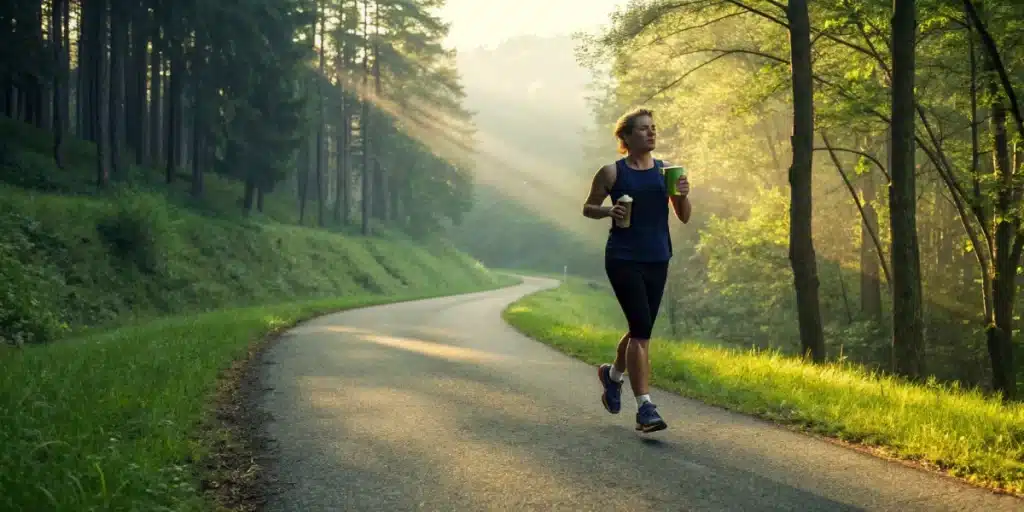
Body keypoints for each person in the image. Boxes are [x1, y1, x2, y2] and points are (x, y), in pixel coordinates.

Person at [581, 107, 691, 433]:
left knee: (638, 328)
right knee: (641, 331)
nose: (651, 133)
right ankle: (645, 408)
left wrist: (683, 195)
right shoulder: (611, 173)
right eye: (643, 129)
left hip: (659, 256)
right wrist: (607, 212)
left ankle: (612, 376)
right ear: (626, 137)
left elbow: (683, 216)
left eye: (653, 128)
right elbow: (588, 208)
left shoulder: (667, 171)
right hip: (623, 257)